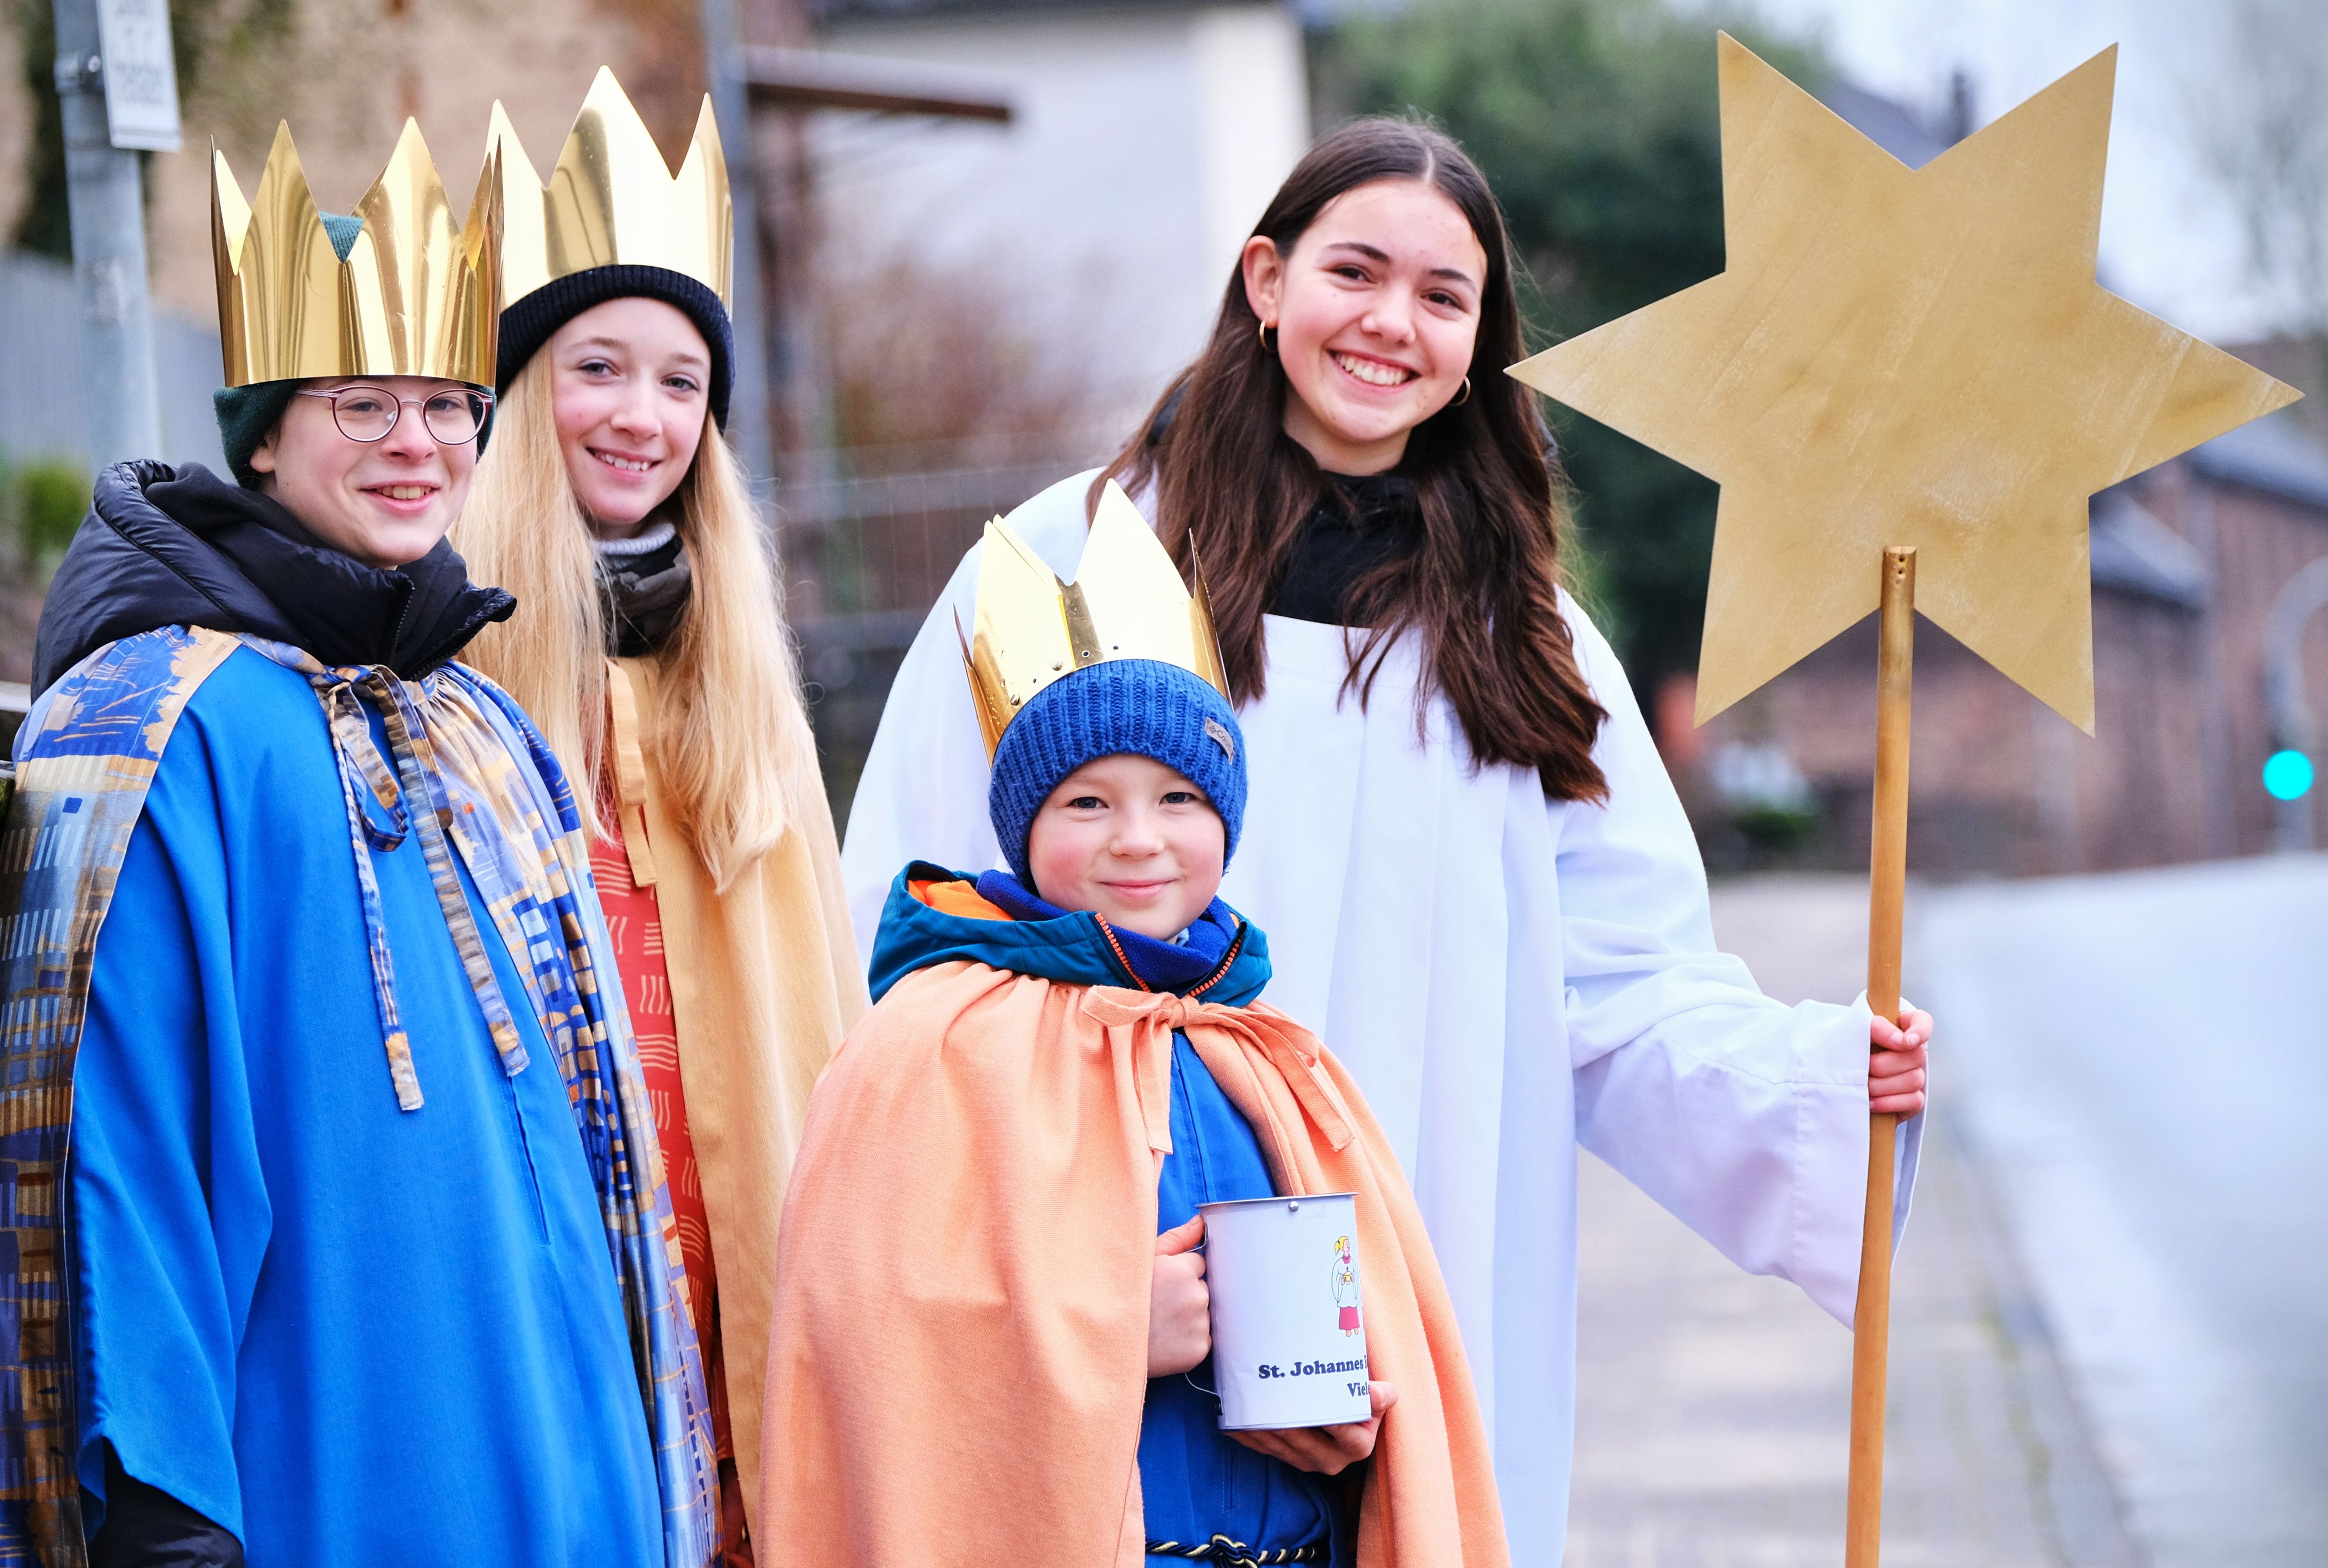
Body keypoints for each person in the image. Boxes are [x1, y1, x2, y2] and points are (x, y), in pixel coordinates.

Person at [838, 116, 1934, 1554]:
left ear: (1480, 347)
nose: (1390, 324)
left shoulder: (1524, 643)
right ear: (1264, 281)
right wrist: (1071, 1269)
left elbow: (1622, 984)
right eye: (1355, 271)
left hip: (1426, 1243)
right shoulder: (1066, 567)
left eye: (1443, 296)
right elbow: (919, 950)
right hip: (1132, 1255)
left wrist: (1816, 1086)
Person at [0, 121, 716, 1566]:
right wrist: (162, 1512)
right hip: (312, 1466)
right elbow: (116, 1150)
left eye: (449, 406)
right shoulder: (149, 722)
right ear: (264, 430)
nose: (417, 446)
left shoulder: (478, 723)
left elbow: (596, 1162)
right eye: (362, 405)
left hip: (562, 1470)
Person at [761, 493, 1508, 1566]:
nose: (1138, 841)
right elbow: (866, 1339)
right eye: (1086, 804)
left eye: (1175, 799)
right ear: (1022, 829)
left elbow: (1386, 1353)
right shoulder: (929, 1044)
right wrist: (1109, 1329)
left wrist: (1349, 1424)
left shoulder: (1268, 1051)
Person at [453, 71, 867, 1561]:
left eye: (682, 382)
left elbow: (816, 1025)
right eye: (598, 368)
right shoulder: (433, 681)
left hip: (734, 1294)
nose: (642, 418)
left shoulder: (746, 692)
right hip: (541, 1285)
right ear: (515, 396)